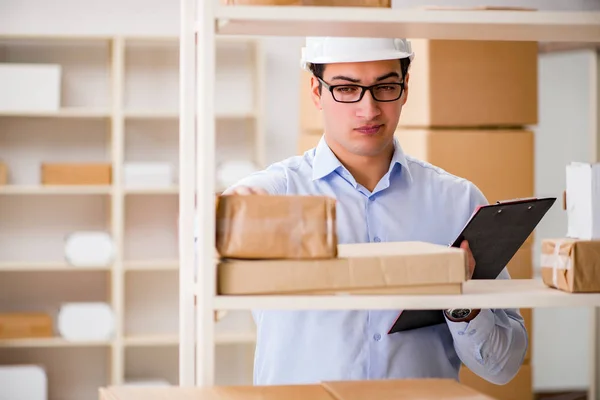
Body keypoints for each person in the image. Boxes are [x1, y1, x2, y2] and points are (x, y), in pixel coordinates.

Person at [223, 37, 528, 386]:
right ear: (315, 91)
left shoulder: (458, 201)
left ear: (405, 87)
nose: (368, 110)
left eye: (385, 87)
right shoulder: (277, 194)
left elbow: (503, 367)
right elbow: (207, 240)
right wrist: (221, 221)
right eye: (346, 88)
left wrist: (463, 305)